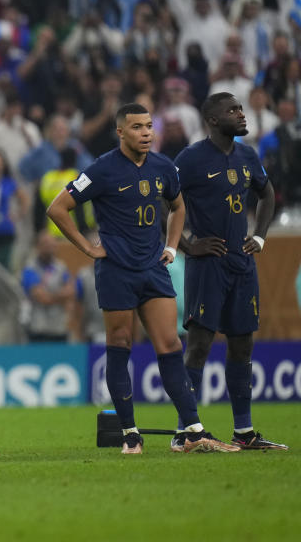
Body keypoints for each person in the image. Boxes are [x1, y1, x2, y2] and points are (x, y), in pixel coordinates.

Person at [46, 102, 239, 455]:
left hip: (152, 268)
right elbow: (57, 207)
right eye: (137, 127)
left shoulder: (164, 167)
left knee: (170, 345)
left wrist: (171, 245)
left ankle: (193, 431)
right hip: (117, 270)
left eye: (149, 126)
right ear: (120, 131)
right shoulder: (102, 169)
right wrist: (88, 248)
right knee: (120, 346)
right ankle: (130, 434)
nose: (146, 132)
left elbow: (178, 206)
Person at [173, 92, 287, 451]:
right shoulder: (190, 159)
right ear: (212, 120)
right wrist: (188, 245)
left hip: (241, 264)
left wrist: (260, 237)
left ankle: (244, 432)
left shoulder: (247, 156)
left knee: (242, 346)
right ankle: (185, 432)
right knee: (200, 346)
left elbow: (267, 195)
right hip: (207, 265)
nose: (240, 114)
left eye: (241, 109)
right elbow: (163, 201)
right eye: (232, 110)